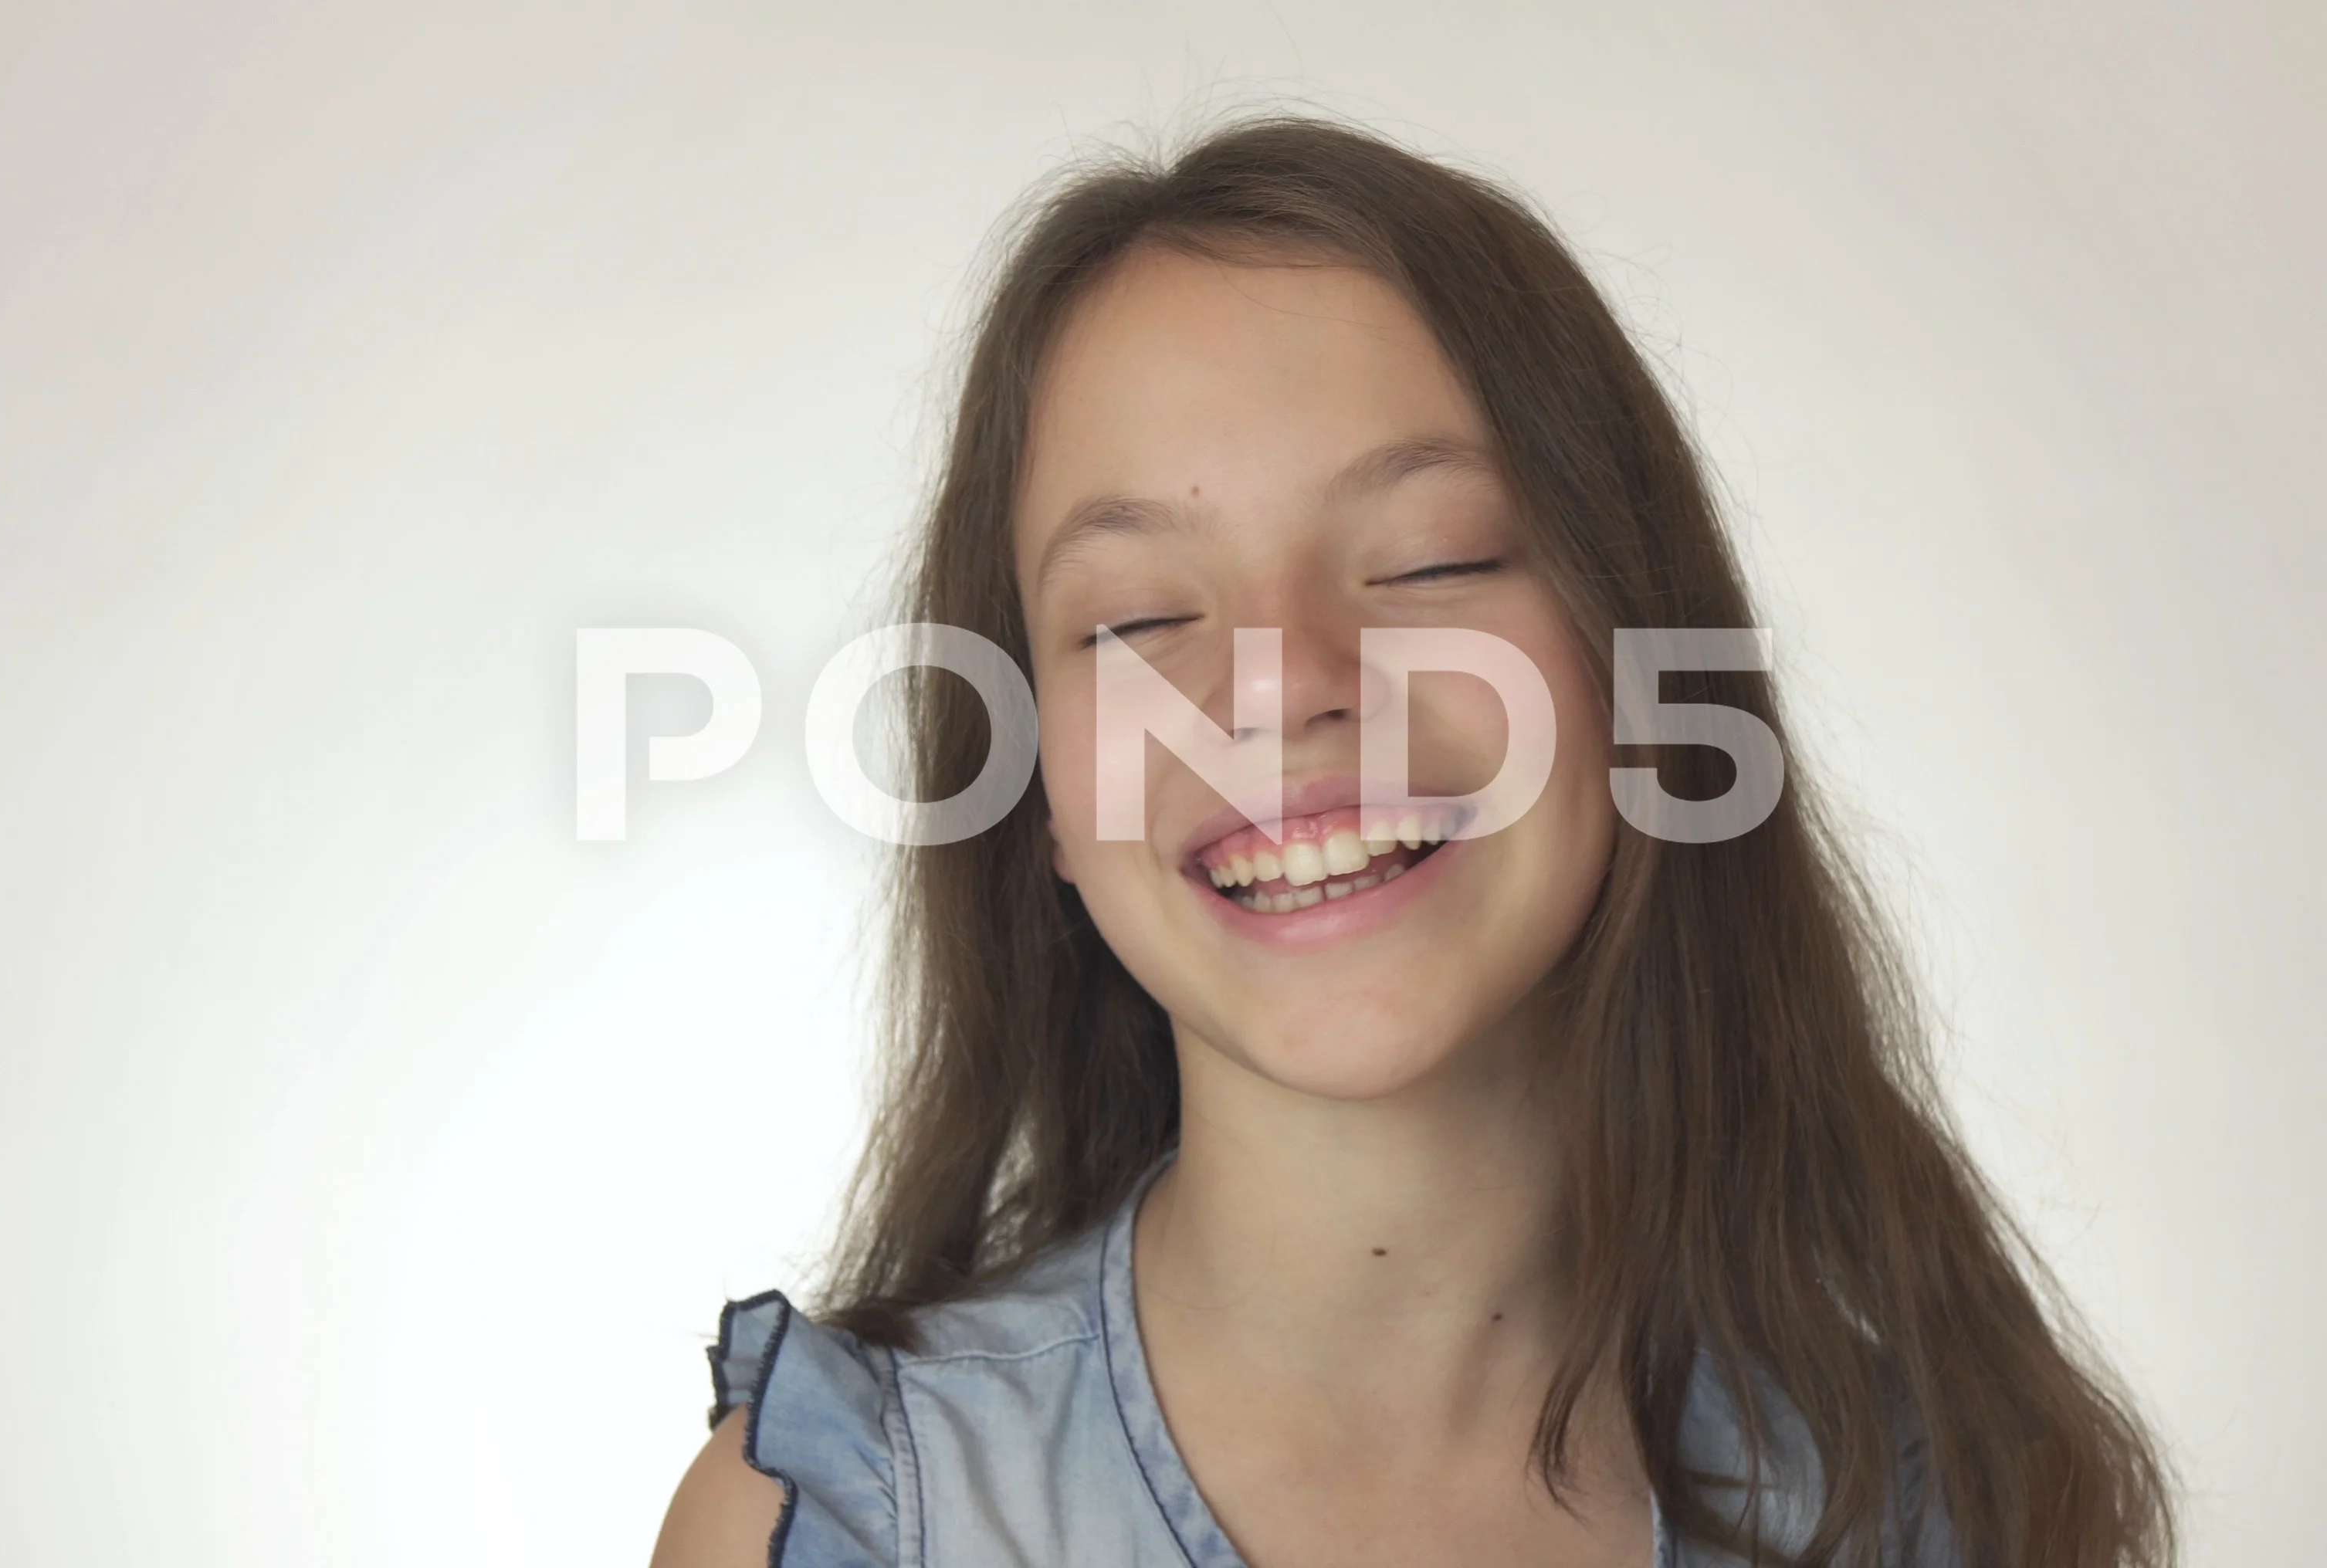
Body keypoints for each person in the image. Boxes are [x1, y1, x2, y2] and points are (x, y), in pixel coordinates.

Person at [650, 118, 2173, 1567]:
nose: (1285, 684)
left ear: (1642, 673)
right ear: (1036, 788)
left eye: (1430, 559)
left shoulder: (1939, 1505)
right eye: (1134, 620)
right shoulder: (840, 1521)